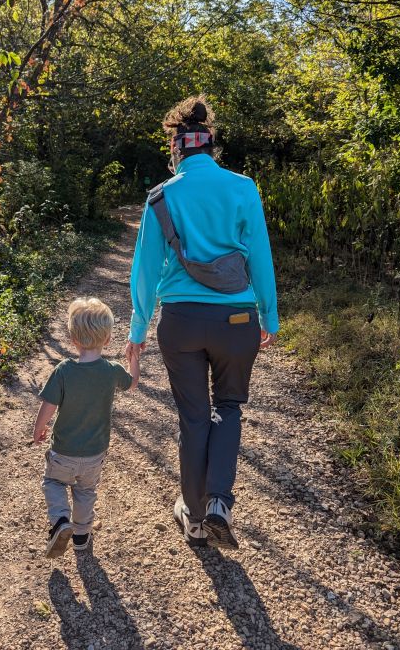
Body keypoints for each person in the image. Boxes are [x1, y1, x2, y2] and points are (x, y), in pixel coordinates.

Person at [126, 96, 278, 549]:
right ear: (212, 147)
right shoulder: (244, 188)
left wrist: (136, 332)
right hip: (237, 318)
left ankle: (193, 520)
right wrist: (268, 315)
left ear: (176, 148)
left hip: (181, 322)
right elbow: (261, 259)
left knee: (193, 419)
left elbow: (145, 271)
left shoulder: (162, 196)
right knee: (228, 408)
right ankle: (219, 504)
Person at [34, 297, 140, 558]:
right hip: (95, 453)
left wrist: (38, 429)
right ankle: (81, 536)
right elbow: (133, 383)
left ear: (73, 339)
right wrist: (133, 357)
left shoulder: (64, 371)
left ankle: (60, 520)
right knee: (85, 491)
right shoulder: (112, 371)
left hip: (63, 450)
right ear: (107, 339)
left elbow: (48, 404)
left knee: (53, 482)